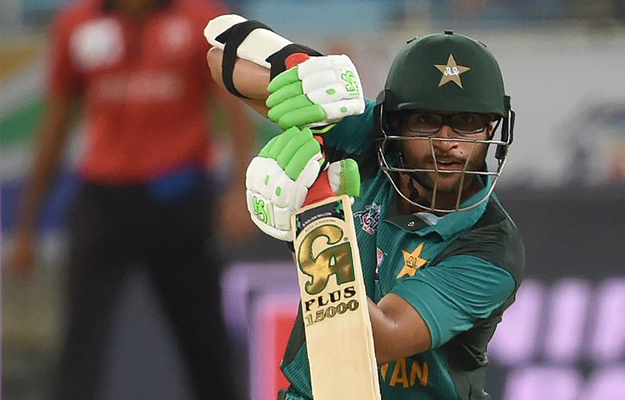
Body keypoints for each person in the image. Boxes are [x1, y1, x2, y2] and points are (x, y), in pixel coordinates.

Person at [205, 15, 524, 400]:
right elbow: (220, 58)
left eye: (466, 122)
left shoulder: (490, 247)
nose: (446, 143)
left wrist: (316, 228)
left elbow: (376, 340)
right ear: (394, 123)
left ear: (491, 128)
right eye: (426, 121)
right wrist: (299, 69)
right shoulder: (371, 136)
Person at [7, 1, 255, 399]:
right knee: (81, 341)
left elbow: (234, 107)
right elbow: (56, 123)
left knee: (205, 340)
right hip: (105, 199)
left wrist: (241, 193)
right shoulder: (76, 23)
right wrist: (26, 227)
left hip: (179, 196)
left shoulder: (201, 20)